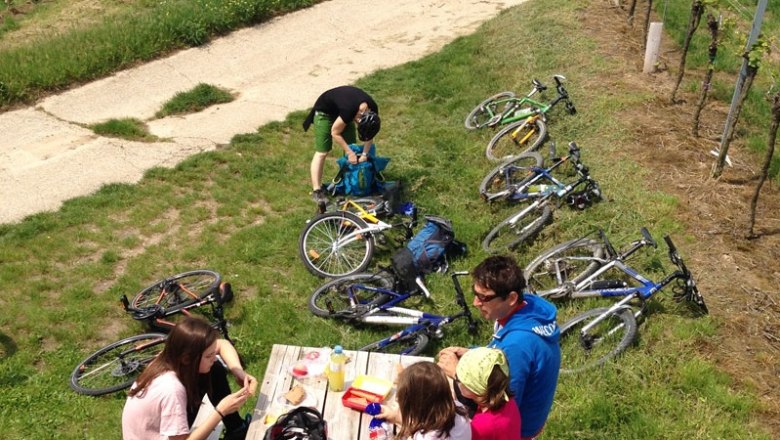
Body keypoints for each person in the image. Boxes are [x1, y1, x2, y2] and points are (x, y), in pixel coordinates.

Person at [437, 256, 560, 440]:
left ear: (511, 298)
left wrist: (458, 373)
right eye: (475, 293)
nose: (475, 303)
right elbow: (500, 353)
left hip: (515, 429)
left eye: (484, 297)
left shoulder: (517, 346)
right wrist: (473, 354)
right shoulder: (528, 307)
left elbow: (500, 400)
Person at [122, 316, 258, 440]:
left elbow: (222, 344)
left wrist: (238, 372)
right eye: (208, 356)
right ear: (187, 358)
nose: (213, 358)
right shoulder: (172, 390)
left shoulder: (170, 357)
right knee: (213, 369)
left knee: (214, 369)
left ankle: (236, 429)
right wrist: (221, 411)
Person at [302, 85, 381, 209]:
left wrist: (364, 154)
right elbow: (335, 132)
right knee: (323, 152)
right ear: (357, 117)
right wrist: (350, 153)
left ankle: (348, 183)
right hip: (325, 113)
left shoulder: (372, 109)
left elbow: (370, 132)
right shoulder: (349, 109)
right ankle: (317, 191)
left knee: (351, 146)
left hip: (344, 111)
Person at [379, 361, 472, 440]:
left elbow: (420, 429)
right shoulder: (457, 407)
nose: (397, 399)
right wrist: (396, 417)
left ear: (418, 406)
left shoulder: (425, 437)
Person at [455, 347, 521, 440]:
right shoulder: (508, 401)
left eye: (458, 378)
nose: (456, 381)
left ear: (475, 389)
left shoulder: (480, 426)